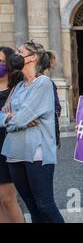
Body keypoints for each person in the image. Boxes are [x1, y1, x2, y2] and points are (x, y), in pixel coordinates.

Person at [0, 40, 64, 223]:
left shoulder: (42, 83)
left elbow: (20, 118)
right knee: (32, 209)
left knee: (45, 205)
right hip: (14, 154)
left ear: (32, 57)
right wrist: (14, 119)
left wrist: (11, 118)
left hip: (37, 153)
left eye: (20, 51)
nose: (16, 55)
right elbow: (13, 119)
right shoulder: (18, 87)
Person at [0, 47, 24, 223]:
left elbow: (23, 117)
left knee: (8, 199)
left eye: (1, 61)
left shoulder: (18, 88)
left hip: (8, 147)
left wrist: (7, 116)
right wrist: (7, 116)